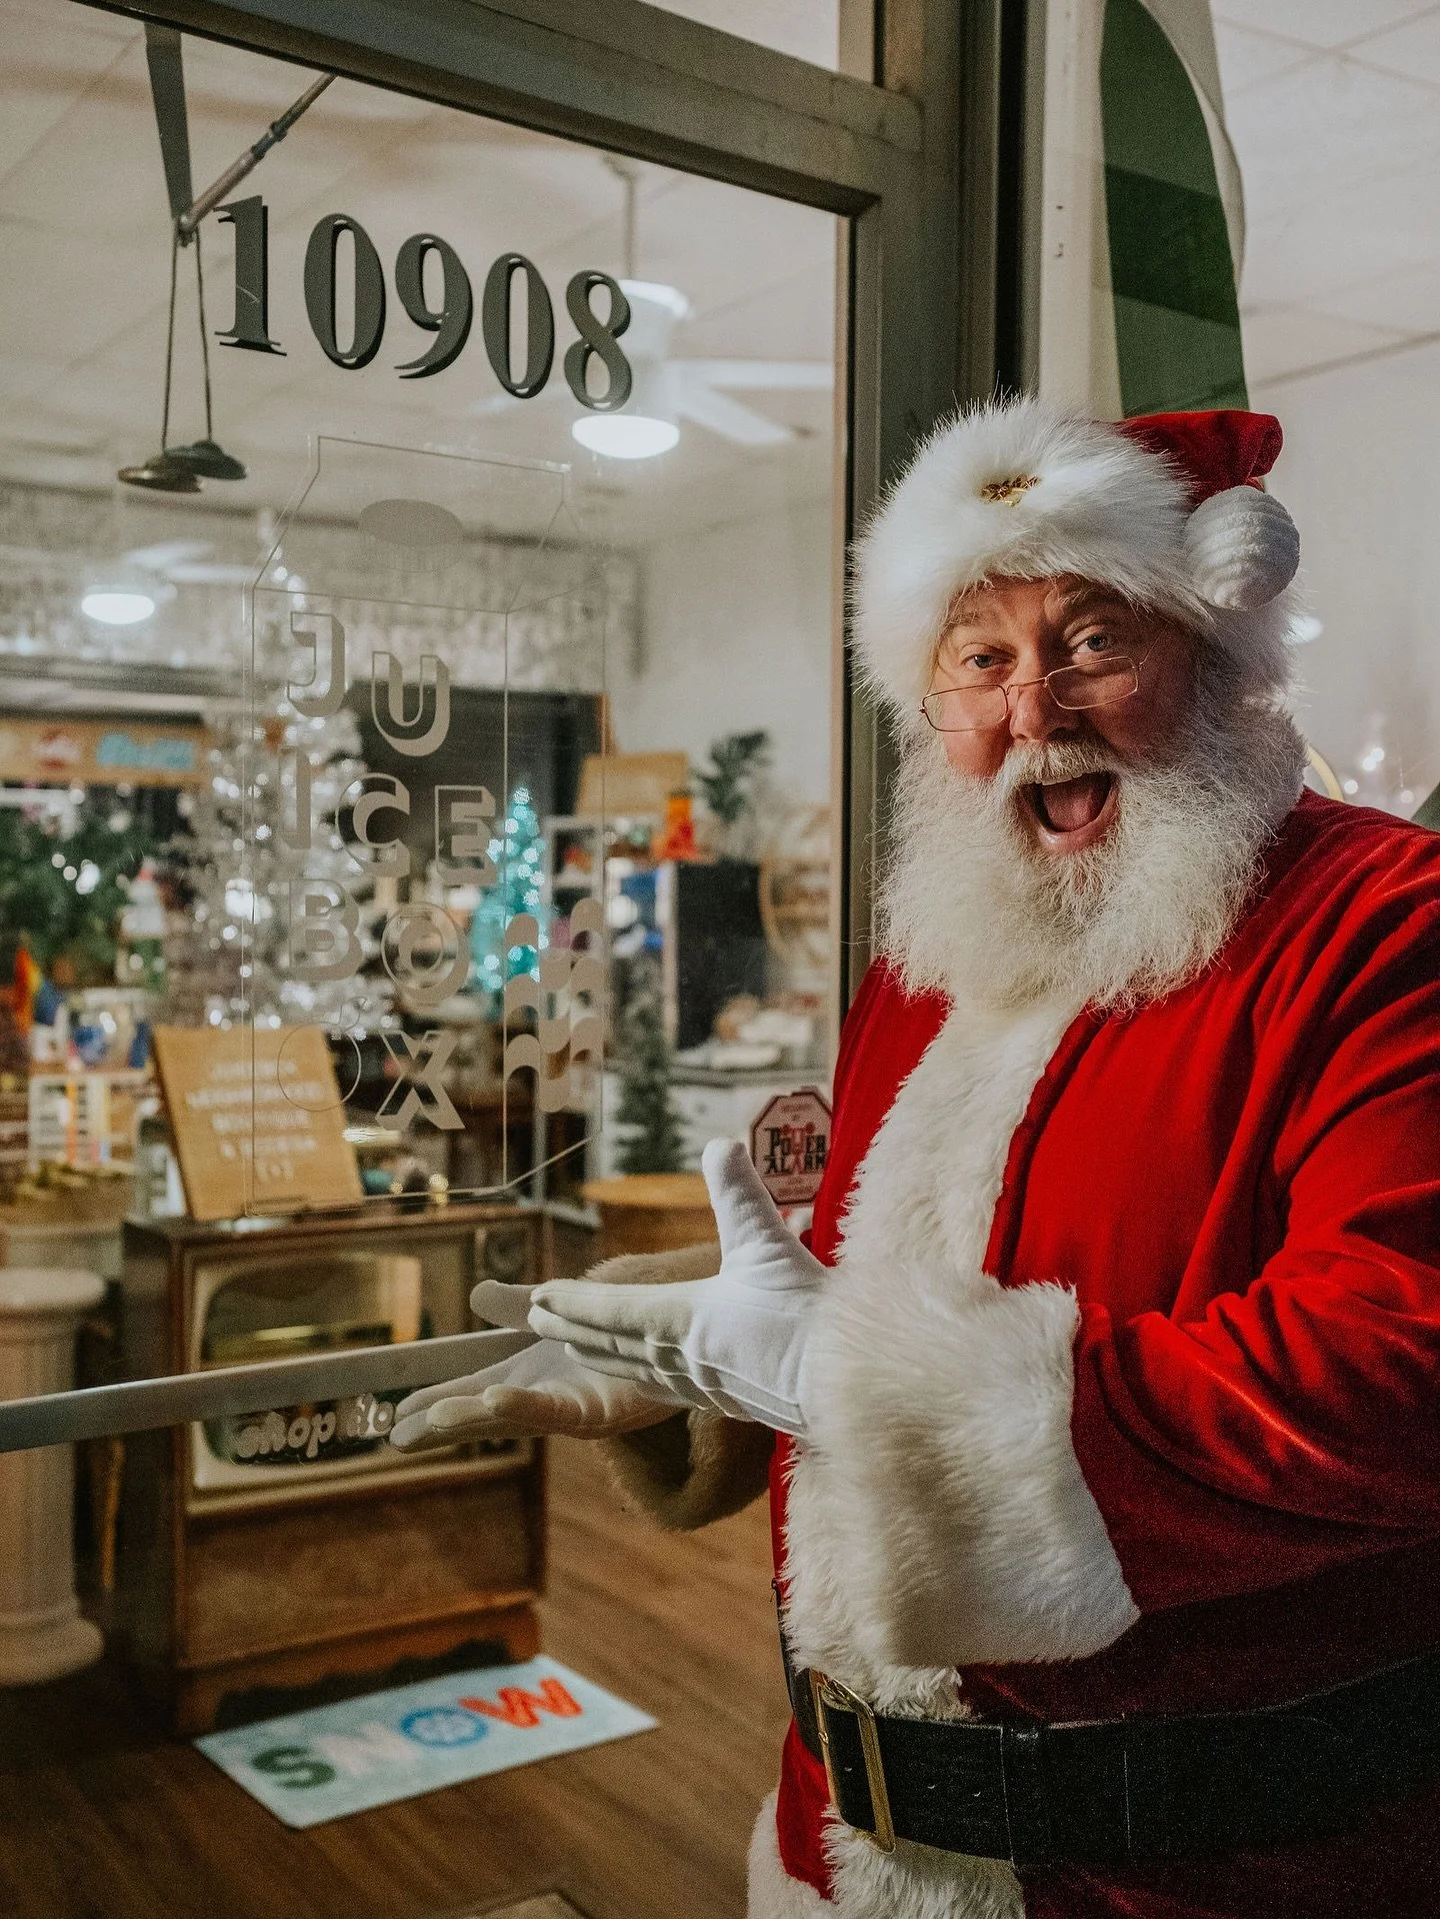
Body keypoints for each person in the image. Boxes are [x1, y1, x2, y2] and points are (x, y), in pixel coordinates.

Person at [393, 398, 1440, 1919]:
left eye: (1094, 639)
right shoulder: (938, 950)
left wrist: (834, 1377)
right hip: (840, 1842)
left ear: (1212, 653)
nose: (1035, 709)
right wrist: (693, 1355)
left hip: (1200, 1873)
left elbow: (1398, 1362)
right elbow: (896, 1273)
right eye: (981, 659)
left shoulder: (1387, 924)